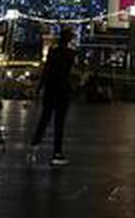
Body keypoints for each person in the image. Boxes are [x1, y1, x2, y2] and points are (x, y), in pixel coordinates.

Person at [30, 28, 76, 166]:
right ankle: (57, 153)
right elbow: (71, 73)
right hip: (62, 90)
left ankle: (34, 145)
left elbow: (46, 70)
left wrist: (39, 89)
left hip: (50, 89)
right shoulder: (71, 53)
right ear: (69, 39)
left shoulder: (52, 51)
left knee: (44, 118)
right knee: (59, 123)